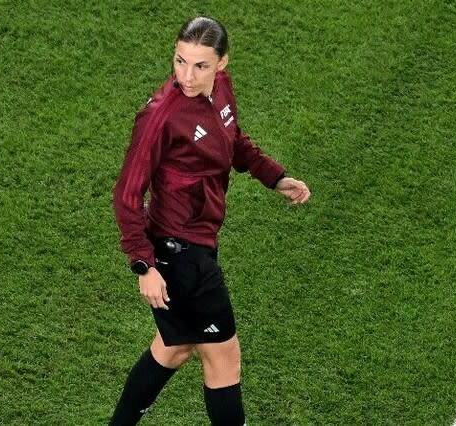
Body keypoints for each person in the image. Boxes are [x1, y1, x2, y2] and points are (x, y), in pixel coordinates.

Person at [109, 15, 310, 425]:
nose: (187, 74)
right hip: (178, 251)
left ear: (222, 63)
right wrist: (143, 265)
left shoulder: (220, 91)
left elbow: (233, 141)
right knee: (223, 357)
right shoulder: (161, 116)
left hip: (198, 244)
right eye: (180, 61)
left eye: (200, 65)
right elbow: (127, 194)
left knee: (175, 348)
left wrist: (275, 177)